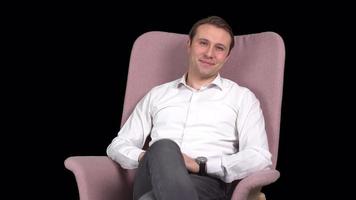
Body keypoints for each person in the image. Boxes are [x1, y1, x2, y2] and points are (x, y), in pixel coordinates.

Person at [107, 16, 272, 200]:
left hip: (207, 184)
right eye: (203, 43)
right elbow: (118, 145)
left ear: (227, 56)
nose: (209, 53)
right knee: (164, 147)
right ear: (189, 45)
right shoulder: (157, 94)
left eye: (219, 48)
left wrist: (201, 165)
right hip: (151, 177)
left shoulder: (242, 98)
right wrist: (155, 158)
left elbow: (259, 157)